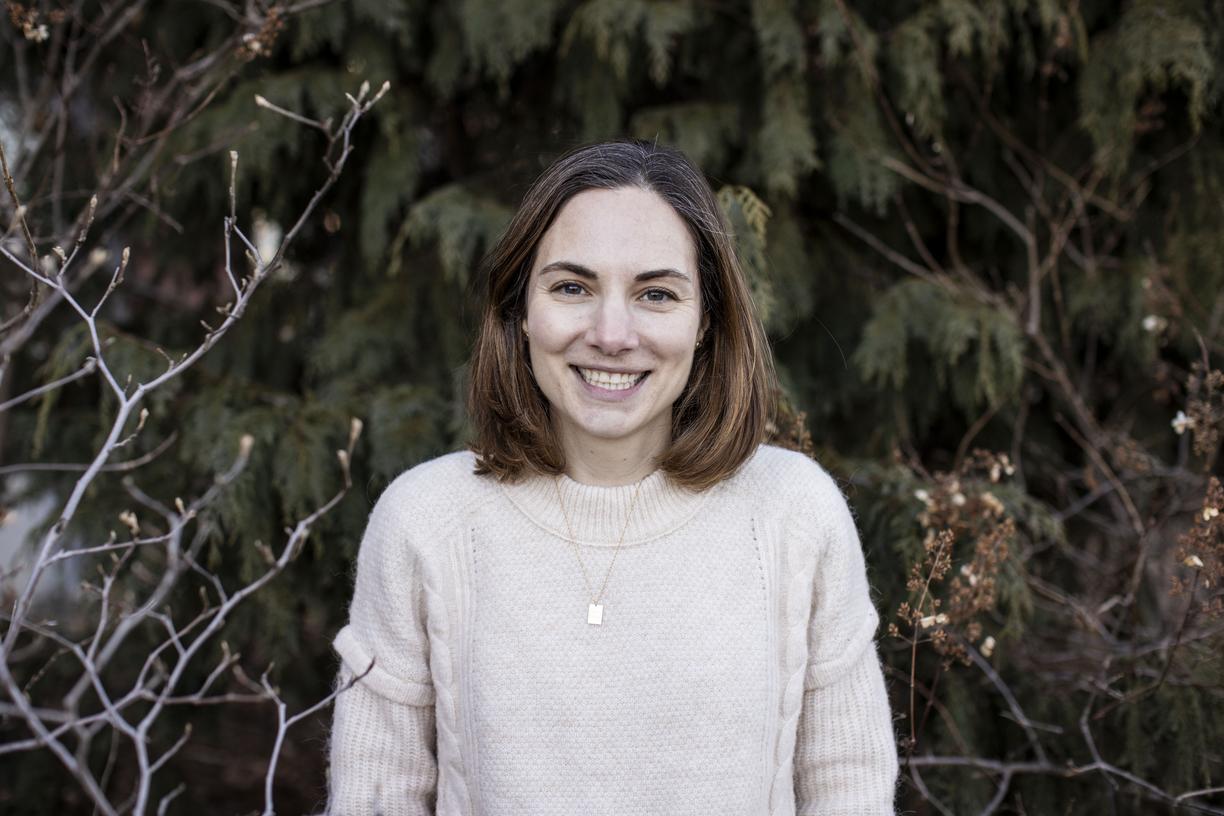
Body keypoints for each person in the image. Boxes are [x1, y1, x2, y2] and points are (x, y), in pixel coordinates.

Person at [325, 140, 899, 815]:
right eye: (572, 288)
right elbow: (375, 797)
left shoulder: (793, 513)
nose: (612, 333)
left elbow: (850, 790)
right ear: (520, 308)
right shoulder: (426, 521)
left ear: (706, 323)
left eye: (656, 294)